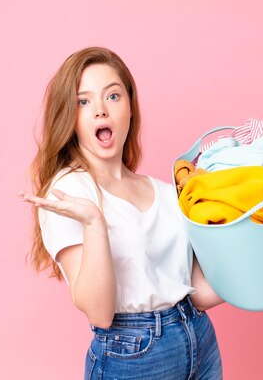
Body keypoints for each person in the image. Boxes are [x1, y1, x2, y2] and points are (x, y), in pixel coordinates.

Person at [18, 46, 224, 379]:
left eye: (112, 96)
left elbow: (197, 291)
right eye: (83, 102)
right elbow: (99, 313)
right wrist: (93, 222)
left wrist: (255, 241)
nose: (100, 110)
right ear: (69, 118)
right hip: (133, 357)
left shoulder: (165, 192)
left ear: (130, 107)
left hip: (198, 338)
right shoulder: (69, 190)